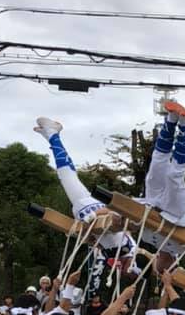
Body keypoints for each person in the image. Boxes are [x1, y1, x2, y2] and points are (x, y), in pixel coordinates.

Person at [34, 118, 140, 276]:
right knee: (66, 174)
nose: (124, 271)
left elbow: (96, 240)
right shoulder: (129, 247)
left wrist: (82, 234)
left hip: (84, 212)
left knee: (68, 174)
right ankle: (52, 134)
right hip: (88, 208)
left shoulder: (118, 254)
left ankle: (52, 136)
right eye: (128, 271)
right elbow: (115, 213)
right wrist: (93, 216)